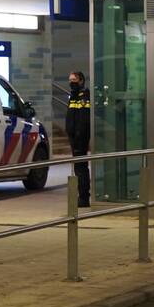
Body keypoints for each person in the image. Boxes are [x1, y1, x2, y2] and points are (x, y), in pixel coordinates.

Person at [66, 71, 91, 207]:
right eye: (70, 80)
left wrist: (78, 136)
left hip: (80, 138)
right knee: (78, 167)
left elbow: (83, 120)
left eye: (74, 80)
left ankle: (84, 197)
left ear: (81, 81)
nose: (71, 82)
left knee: (81, 167)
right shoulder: (73, 96)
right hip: (73, 137)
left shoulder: (84, 96)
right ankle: (81, 196)